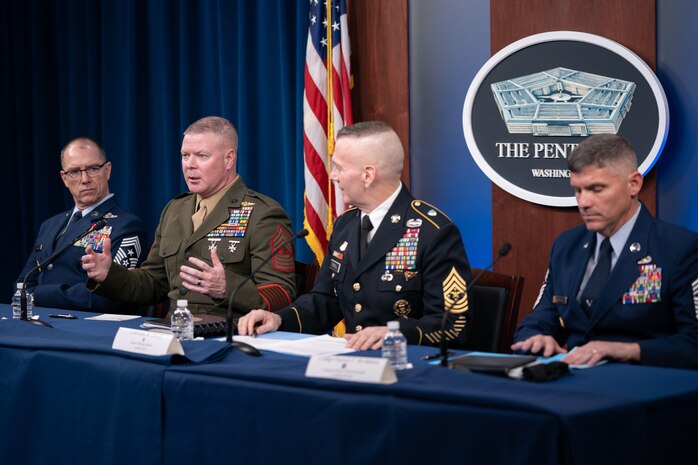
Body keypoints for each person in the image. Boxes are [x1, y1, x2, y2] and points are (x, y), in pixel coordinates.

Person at [238, 121, 473, 350]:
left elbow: (453, 325)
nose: (333, 175)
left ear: (368, 175)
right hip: (351, 363)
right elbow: (324, 301)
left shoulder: (432, 231)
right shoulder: (346, 225)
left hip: (407, 367)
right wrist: (279, 319)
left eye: (339, 167)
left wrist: (394, 333)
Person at [512, 134, 698, 369]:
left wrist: (624, 350)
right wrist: (535, 339)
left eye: (596, 189)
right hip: (572, 384)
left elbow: (693, 344)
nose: (584, 202)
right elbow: (539, 319)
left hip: (643, 386)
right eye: (578, 190)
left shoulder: (678, 248)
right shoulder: (567, 245)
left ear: (634, 184)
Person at [81, 116, 296, 316]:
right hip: (173, 332)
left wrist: (226, 288)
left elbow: (282, 293)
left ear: (229, 159)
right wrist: (109, 274)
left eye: (201, 156)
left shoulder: (263, 214)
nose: (189, 165)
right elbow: (154, 283)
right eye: (185, 156)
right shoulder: (174, 210)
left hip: (231, 335)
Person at [17, 137, 148, 312]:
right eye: (74, 172)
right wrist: (31, 296)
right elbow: (23, 283)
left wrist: (38, 296)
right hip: (40, 322)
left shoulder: (128, 226)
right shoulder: (49, 225)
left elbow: (111, 293)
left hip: (87, 328)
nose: (84, 179)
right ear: (64, 178)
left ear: (107, 170)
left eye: (93, 169)